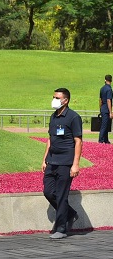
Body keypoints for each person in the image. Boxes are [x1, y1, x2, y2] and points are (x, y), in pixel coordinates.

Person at [42, 87, 82, 240]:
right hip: (52, 161)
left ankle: (61, 228)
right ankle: (70, 214)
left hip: (66, 162)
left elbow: (78, 142)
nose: (54, 100)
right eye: (54, 97)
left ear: (66, 100)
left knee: (61, 195)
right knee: (48, 192)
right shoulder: (53, 117)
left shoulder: (73, 117)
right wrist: (44, 159)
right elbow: (50, 139)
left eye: (58, 98)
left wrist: (75, 164)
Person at [98, 74, 112, 144]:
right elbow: (108, 100)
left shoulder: (102, 88)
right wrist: (110, 112)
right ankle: (100, 140)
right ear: (111, 80)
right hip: (106, 109)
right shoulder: (109, 89)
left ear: (105, 80)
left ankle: (106, 140)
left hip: (103, 108)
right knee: (104, 126)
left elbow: (100, 100)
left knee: (106, 125)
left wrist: (100, 108)